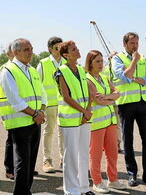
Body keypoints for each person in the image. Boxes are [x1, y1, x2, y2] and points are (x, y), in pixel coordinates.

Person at [112, 32, 146, 187]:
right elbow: (125, 76)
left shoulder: (143, 59)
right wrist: (133, 63)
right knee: (128, 140)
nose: (135, 46)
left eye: (137, 43)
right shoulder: (118, 59)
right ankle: (132, 174)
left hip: (143, 103)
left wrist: (139, 79)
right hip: (126, 104)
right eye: (132, 43)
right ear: (125, 44)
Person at [0, 38, 46, 195]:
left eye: (31, 49)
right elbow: (15, 100)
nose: (31, 52)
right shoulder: (8, 71)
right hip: (19, 123)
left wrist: (42, 111)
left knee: (31, 161)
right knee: (22, 162)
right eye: (27, 49)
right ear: (15, 52)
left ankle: (27, 190)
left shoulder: (32, 70)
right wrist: (35, 114)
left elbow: (43, 94)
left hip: (35, 121)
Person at [55, 41, 94, 195]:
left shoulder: (81, 70)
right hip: (70, 119)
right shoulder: (61, 71)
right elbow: (66, 97)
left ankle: (84, 188)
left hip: (85, 118)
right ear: (66, 55)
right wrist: (84, 111)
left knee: (84, 154)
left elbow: (89, 92)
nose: (78, 50)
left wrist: (88, 110)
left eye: (77, 48)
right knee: (70, 156)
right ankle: (71, 191)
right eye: (74, 49)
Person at [85, 50, 126, 193]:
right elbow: (98, 100)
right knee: (95, 155)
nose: (101, 64)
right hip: (96, 123)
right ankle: (97, 182)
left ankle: (113, 180)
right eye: (97, 61)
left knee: (113, 153)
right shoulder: (88, 79)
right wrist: (110, 98)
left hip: (110, 121)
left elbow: (117, 93)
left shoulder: (104, 77)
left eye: (102, 61)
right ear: (90, 63)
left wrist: (107, 97)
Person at [37, 36, 66, 173]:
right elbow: (38, 86)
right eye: (56, 48)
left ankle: (64, 159)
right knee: (48, 132)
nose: (59, 50)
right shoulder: (43, 64)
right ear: (50, 49)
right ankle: (47, 161)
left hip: (65, 104)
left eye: (61, 47)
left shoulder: (66, 62)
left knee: (63, 133)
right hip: (49, 105)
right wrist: (40, 107)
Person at [103, 51, 123, 153]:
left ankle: (117, 144)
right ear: (109, 59)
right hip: (106, 102)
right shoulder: (104, 71)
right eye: (112, 57)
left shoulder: (120, 70)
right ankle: (104, 144)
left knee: (117, 124)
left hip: (118, 101)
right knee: (105, 123)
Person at [1, 42, 15, 180]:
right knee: (11, 140)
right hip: (10, 112)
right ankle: (10, 169)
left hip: (22, 112)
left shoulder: (22, 68)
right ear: (9, 53)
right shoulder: (5, 68)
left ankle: (21, 168)